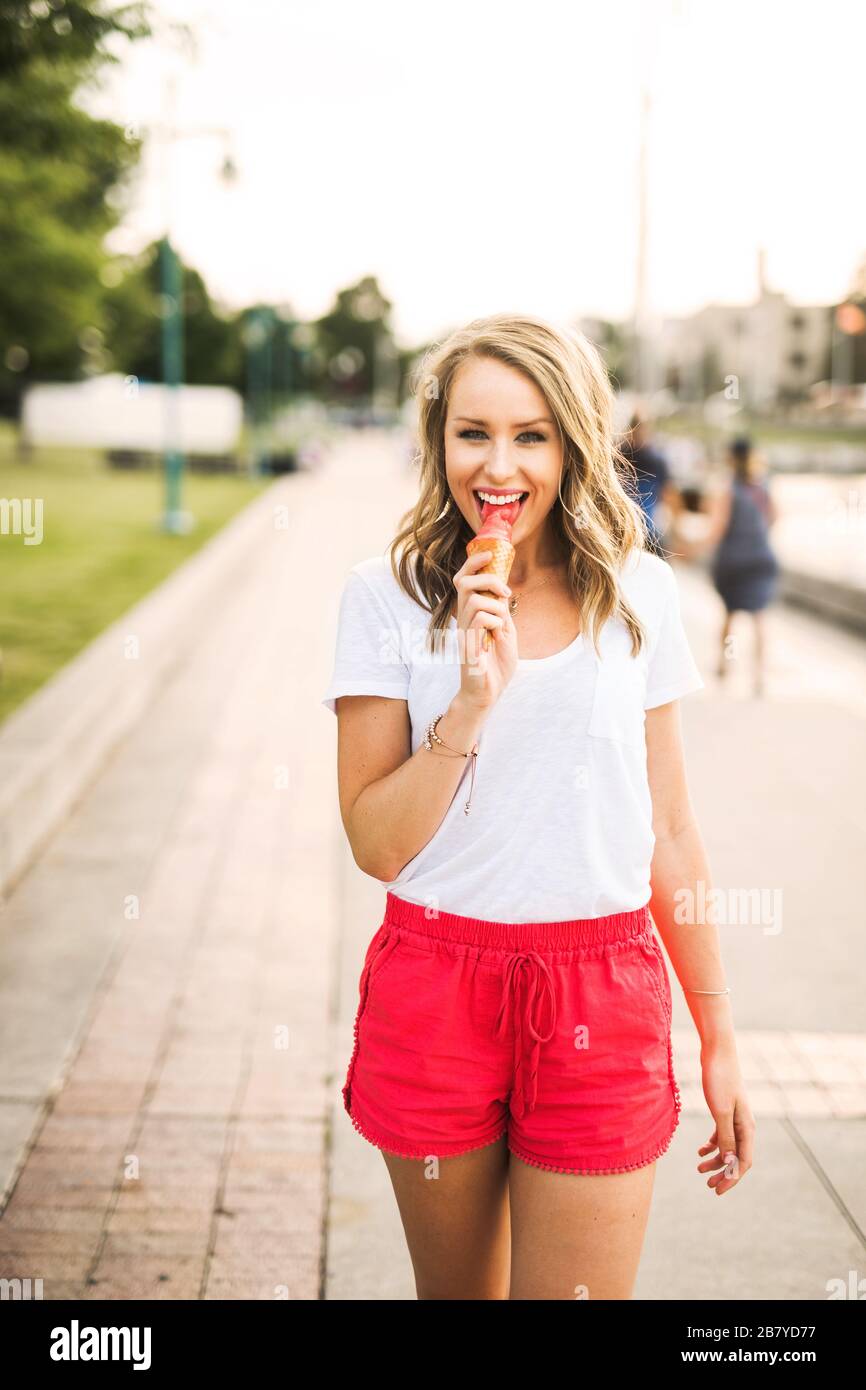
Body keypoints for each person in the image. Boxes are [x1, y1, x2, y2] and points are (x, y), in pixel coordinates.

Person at [322, 314, 755, 1301]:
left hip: (599, 988)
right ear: (438, 438)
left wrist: (719, 1035)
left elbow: (672, 832)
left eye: (531, 435)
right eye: (472, 431)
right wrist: (472, 700)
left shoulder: (637, 593)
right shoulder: (383, 596)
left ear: (573, 440)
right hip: (435, 985)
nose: (498, 464)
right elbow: (375, 843)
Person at [676, 436, 779, 698]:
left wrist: (690, 550)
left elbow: (716, 531)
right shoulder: (763, 487)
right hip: (761, 558)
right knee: (759, 617)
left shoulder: (728, 490)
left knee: (729, 613)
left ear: (731, 459)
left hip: (733, 561)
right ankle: (759, 675)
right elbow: (775, 517)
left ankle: (724, 664)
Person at [618, 411, 680, 557]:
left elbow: (667, 493)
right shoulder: (656, 459)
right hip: (639, 529)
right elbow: (667, 494)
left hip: (629, 528)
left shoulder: (619, 453)